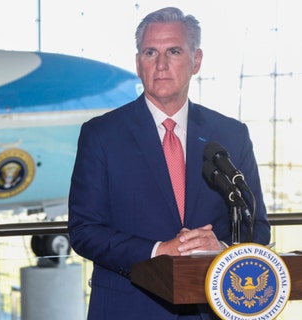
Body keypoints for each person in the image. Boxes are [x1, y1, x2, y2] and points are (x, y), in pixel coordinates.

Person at [68, 7, 271, 319]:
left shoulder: (231, 135)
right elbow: (84, 230)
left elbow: (256, 226)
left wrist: (222, 247)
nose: (160, 64)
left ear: (196, 60)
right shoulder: (101, 135)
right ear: (138, 63)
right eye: (150, 52)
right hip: (130, 307)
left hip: (211, 307)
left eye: (173, 51)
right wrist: (157, 251)